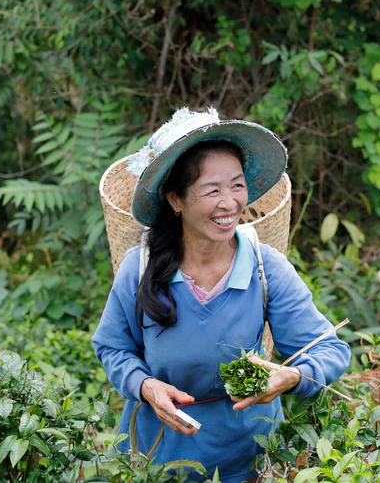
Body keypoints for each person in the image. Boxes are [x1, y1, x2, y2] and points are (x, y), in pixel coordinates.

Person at [92, 107, 350, 482]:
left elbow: (329, 349)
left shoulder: (265, 268)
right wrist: (145, 386)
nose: (229, 203)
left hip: (249, 460)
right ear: (175, 199)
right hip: (157, 457)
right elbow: (113, 348)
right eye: (212, 190)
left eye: (237, 185)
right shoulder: (141, 267)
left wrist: (292, 377)